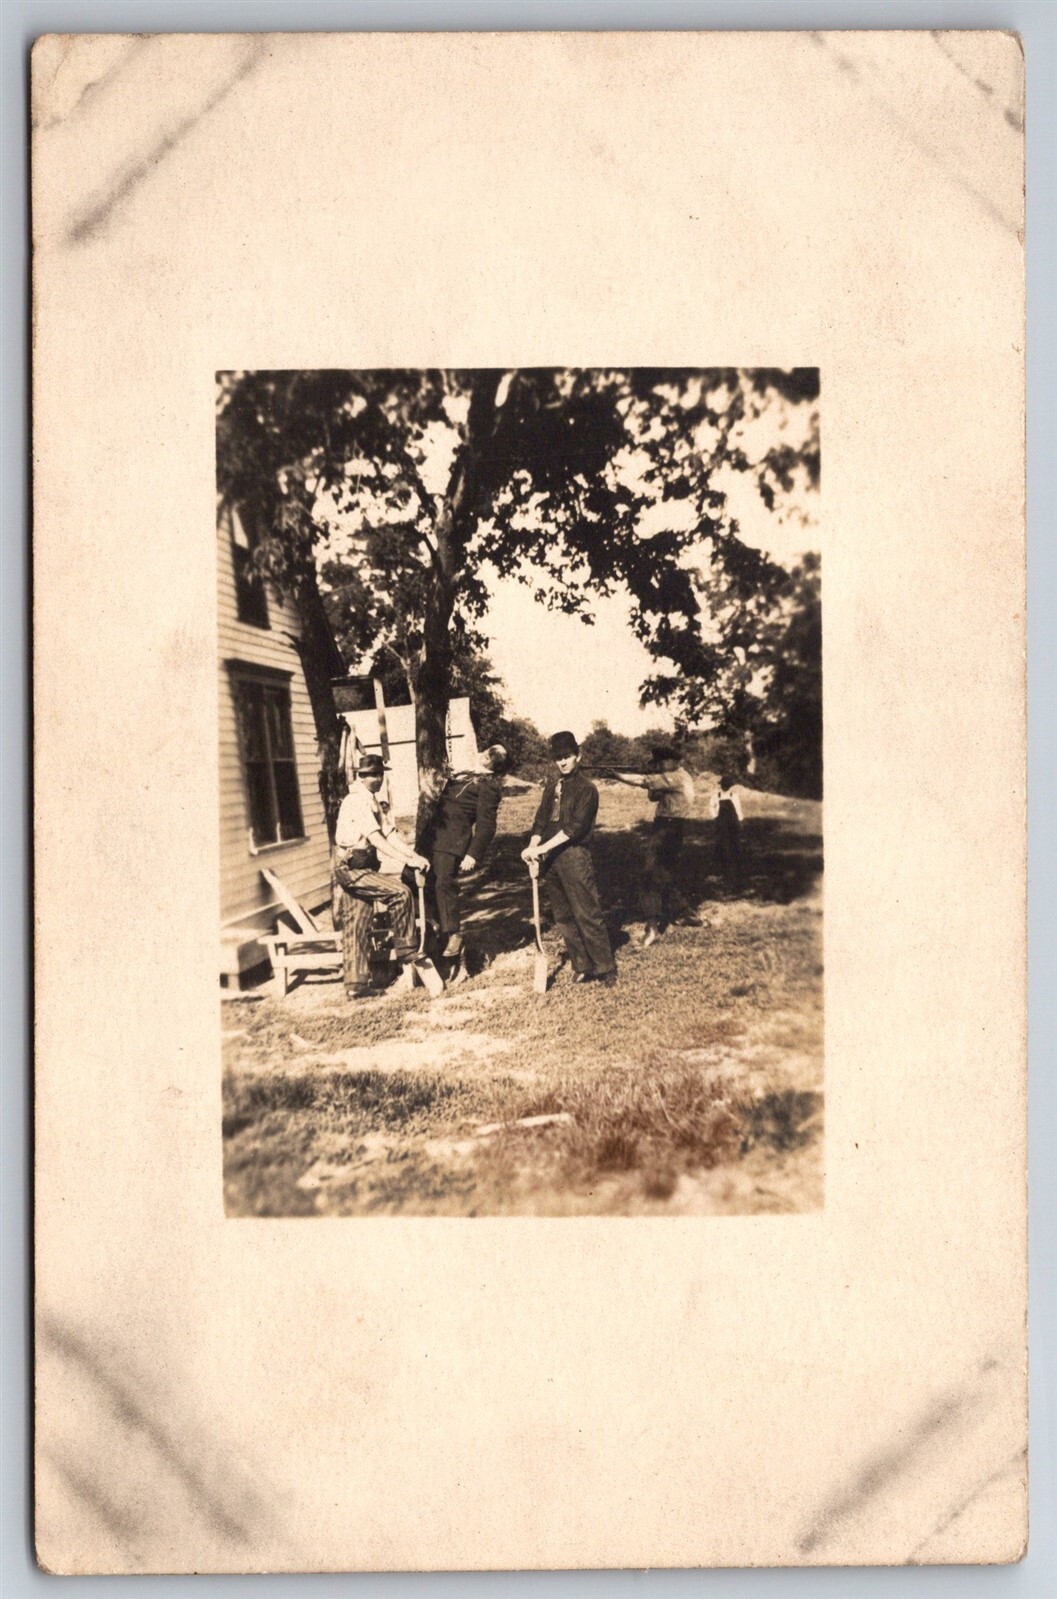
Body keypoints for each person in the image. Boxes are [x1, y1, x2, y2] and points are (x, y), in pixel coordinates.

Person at [521, 731, 616, 986]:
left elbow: (574, 828)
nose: (562, 762)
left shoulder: (587, 789)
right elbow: (540, 821)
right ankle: (582, 965)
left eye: (567, 756)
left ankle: (605, 967)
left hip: (574, 856)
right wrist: (532, 846)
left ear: (578, 756)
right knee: (563, 916)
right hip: (550, 858)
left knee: (586, 911)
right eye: (558, 758)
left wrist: (542, 849)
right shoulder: (551, 787)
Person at [333, 753, 430, 1000]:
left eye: (380, 774)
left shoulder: (374, 801)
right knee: (400, 892)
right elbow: (375, 838)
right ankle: (407, 949)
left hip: (365, 866)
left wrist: (413, 855)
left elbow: (390, 834)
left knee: (357, 923)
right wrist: (405, 860)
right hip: (352, 868)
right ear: (360, 776)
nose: (376, 779)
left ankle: (356, 986)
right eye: (371, 775)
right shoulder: (356, 801)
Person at [607, 745, 702, 946]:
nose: (660, 765)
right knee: (664, 872)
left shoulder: (675, 777)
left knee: (648, 874)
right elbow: (653, 796)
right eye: (658, 763)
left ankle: (652, 926)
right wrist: (651, 774)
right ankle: (684, 913)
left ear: (675, 761)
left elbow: (643, 782)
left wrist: (617, 776)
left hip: (667, 828)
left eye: (663, 762)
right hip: (672, 828)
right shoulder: (678, 777)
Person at [427, 744, 508, 960]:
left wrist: (473, 854)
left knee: (444, 883)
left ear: (496, 764)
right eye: (489, 750)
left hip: (452, 841)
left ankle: (454, 933)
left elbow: (487, 825)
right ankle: (431, 933)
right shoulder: (465, 774)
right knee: (413, 879)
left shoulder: (489, 786)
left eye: (493, 755)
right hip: (431, 837)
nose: (487, 754)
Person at [711, 773, 745, 894]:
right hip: (722, 823)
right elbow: (711, 807)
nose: (725, 787)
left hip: (732, 823)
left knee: (734, 844)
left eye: (726, 785)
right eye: (723, 785)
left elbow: (738, 808)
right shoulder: (717, 795)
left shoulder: (733, 795)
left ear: (730, 786)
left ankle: (734, 861)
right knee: (722, 843)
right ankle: (723, 862)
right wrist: (715, 817)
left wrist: (740, 820)